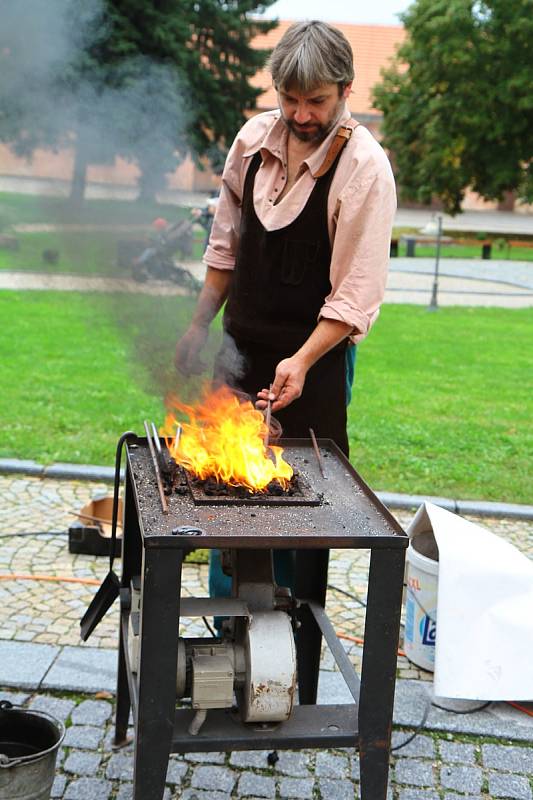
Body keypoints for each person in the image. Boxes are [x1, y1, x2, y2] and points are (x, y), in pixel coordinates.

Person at [175, 20, 396, 605]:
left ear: (346, 90)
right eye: (290, 99)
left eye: (316, 101)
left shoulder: (365, 169)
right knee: (225, 499)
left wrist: (298, 361)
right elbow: (225, 248)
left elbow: (354, 296)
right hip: (237, 351)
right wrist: (199, 324)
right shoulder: (251, 142)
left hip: (315, 366)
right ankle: (229, 642)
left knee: (304, 518)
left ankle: (294, 648)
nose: (301, 114)